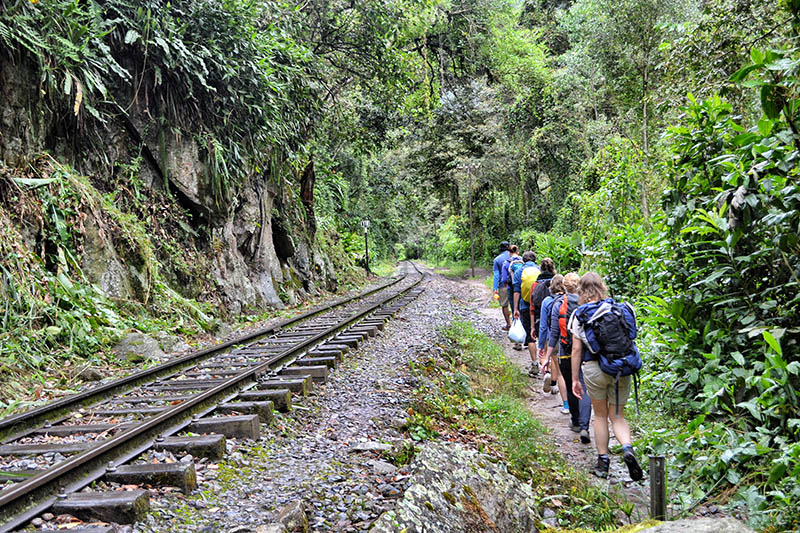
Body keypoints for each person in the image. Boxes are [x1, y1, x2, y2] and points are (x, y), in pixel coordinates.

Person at [569, 272, 643, 481]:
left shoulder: (580, 314)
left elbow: (576, 350)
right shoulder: (620, 309)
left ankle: (603, 463)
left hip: (594, 369)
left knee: (600, 415)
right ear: (602, 287)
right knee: (617, 415)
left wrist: (575, 379)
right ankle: (628, 449)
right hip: (621, 367)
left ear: (581, 291)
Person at [545, 272, 591, 442]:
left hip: (566, 352)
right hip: (586, 353)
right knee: (584, 387)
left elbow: (554, 333)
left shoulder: (559, 305)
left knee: (572, 384)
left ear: (565, 287)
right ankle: (585, 426)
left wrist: (547, 356)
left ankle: (576, 421)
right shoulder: (586, 304)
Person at [512, 251, 540, 375]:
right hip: (541, 307)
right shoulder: (540, 270)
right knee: (544, 336)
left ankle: (535, 364)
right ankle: (548, 366)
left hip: (525, 307)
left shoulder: (519, 272)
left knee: (530, 336)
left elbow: (516, 292)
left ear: (523, 260)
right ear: (534, 260)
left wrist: (515, 308)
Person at [530, 258, 556, 376]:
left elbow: (532, 307)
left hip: (540, 319)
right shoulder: (558, 282)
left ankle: (546, 372)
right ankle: (553, 377)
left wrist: (532, 327)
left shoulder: (535, 284)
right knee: (554, 354)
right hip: (556, 320)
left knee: (543, 350)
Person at [500, 246, 523, 342]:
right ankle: (526, 338)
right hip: (522, 288)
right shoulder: (522, 261)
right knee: (523, 310)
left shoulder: (506, 263)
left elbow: (504, 279)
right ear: (517, 251)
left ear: (509, 252)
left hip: (511, 288)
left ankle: (517, 340)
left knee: (515, 310)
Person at [492, 241, 511, 330]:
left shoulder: (497, 259)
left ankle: (508, 324)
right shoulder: (515, 257)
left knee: (504, 305)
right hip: (515, 284)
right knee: (516, 305)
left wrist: (495, 288)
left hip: (503, 285)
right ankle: (517, 325)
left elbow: (496, 275)